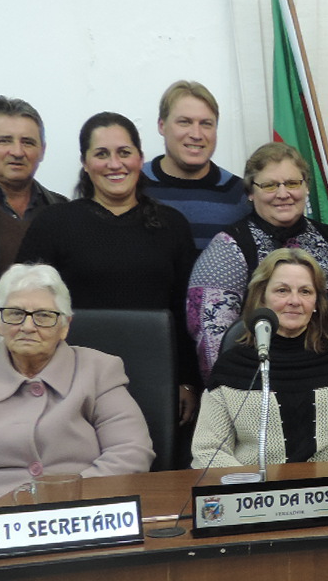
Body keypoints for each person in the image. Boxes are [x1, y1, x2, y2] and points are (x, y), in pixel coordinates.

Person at [0, 263, 154, 536]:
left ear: (65, 325)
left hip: (80, 525)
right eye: (15, 314)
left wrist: (60, 516)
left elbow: (130, 453)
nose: (28, 326)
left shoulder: (99, 371)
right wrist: (14, 518)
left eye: (43, 316)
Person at [17, 112, 202, 420]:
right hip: (68, 382)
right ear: (85, 162)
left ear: (140, 158)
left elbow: (187, 313)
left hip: (156, 378)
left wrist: (188, 381)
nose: (115, 164)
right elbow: (27, 308)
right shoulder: (52, 224)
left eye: (124, 153)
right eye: (101, 154)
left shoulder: (173, 226)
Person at [186, 142, 328, 378]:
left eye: (292, 183)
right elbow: (212, 341)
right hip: (257, 381)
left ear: (306, 187)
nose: (283, 193)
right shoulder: (227, 249)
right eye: (269, 185)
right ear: (250, 192)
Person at [192, 248, 328, 468]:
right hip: (254, 494)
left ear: (317, 303)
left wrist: (326, 489)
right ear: (262, 298)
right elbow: (208, 449)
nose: (294, 301)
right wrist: (254, 491)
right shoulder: (230, 367)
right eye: (282, 290)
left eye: (306, 291)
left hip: (327, 494)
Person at [0, 95, 67, 277]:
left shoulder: (61, 210)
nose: (17, 152)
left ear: (42, 150)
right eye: (5, 141)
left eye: (27, 142)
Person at [140, 80, 250, 251]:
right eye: (185, 122)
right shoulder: (134, 185)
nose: (196, 134)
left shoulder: (239, 194)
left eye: (206, 124)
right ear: (162, 126)